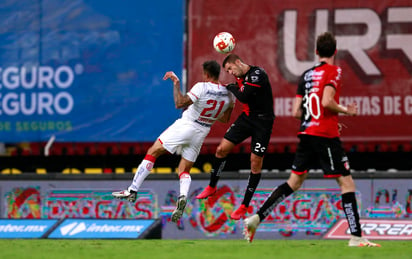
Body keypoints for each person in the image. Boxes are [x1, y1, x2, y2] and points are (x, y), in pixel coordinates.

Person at [242, 32, 380, 247]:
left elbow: (297, 112)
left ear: (316, 52)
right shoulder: (334, 71)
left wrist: (324, 118)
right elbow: (326, 101)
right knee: (346, 182)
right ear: (335, 51)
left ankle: (256, 217)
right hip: (325, 135)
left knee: (293, 182)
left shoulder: (306, 75)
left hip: (306, 134)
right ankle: (356, 237)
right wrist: (345, 111)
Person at [112, 60, 235, 223]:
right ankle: (183, 196)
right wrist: (214, 110)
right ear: (218, 73)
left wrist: (176, 84)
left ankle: (132, 190)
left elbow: (179, 103)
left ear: (206, 73)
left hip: (187, 124)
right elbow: (225, 119)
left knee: (153, 152)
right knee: (184, 169)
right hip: (202, 131)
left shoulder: (201, 87)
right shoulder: (228, 94)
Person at [196, 54, 275, 220]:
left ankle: (245, 205)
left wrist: (231, 87)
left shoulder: (257, 74)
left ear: (238, 62)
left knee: (255, 162)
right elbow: (232, 90)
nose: (230, 72)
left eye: (230, 68)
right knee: (221, 149)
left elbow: (243, 96)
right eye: (227, 71)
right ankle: (212, 186)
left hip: (263, 123)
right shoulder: (239, 77)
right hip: (247, 119)